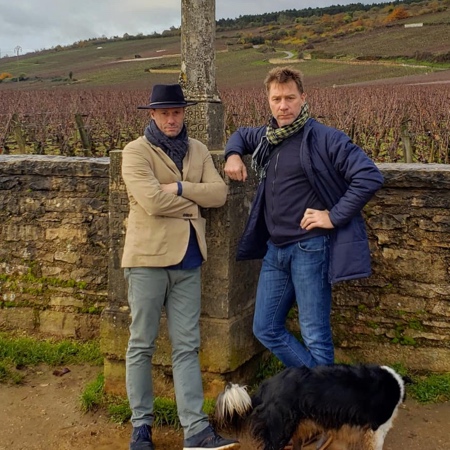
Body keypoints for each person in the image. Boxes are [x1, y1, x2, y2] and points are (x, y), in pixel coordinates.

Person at [224, 67, 384, 370]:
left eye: (290, 98)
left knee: (314, 335)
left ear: (303, 98)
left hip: (310, 249)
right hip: (275, 250)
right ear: (268, 101)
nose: (283, 106)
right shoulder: (267, 137)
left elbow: (369, 176)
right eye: (276, 99)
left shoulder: (325, 138)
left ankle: (320, 396)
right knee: (265, 328)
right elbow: (240, 135)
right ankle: (318, 387)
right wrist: (232, 154)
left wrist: (333, 216)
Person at [121, 84, 239, 450]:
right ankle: (141, 427)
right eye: (164, 113)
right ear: (153, 115)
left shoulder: (198, 149)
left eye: (176, 112)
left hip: (189, 260)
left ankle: (196, 431)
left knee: (187, 346)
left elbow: (219, 194)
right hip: (147, 260)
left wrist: (177, 188)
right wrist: (193, 199)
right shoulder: (135, 152)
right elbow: (152, 202)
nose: (171, 119)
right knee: (141, 344)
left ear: (184, 113)